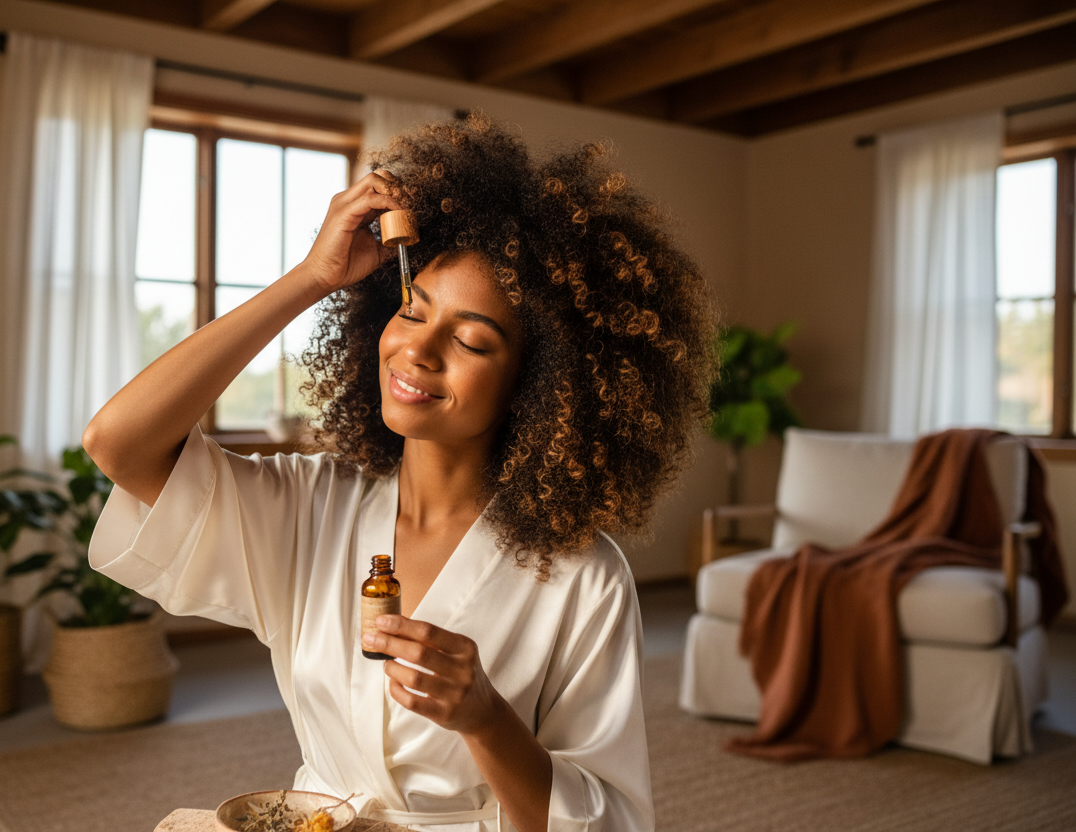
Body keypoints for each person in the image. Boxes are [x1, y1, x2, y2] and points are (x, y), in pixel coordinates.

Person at [84, 115, 716, 832]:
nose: (419, 350)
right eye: (412, 313)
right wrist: (312, 278)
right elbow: (117, 443)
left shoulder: (583, 577)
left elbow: (610, 819)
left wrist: (486, 719)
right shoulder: (311, 507)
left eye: (470, 340)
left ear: (539, 386)